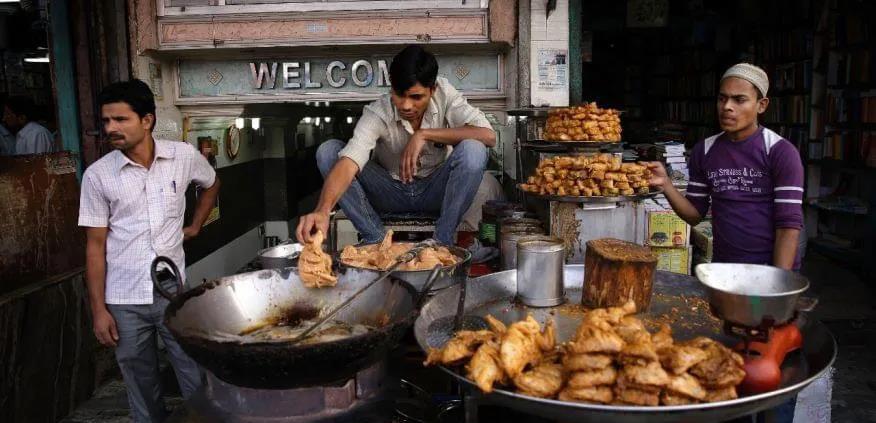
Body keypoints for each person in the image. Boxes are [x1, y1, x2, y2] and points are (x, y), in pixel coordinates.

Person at [78, 79, 221, 423]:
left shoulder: (182, 156)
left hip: (172, 289)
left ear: (147, 120)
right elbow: (95, 248)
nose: (111, 128)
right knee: (140, 383)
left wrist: (197, 225)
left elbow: (212, 183)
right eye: (106, 121)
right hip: (124, 298)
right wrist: (99, 310)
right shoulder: (99, 176)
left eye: (120, 119)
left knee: (192, 372)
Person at [296, 45, 496, 245]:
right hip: (390, 193)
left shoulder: (445, 94)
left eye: (416, 97)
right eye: (400, 95)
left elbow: (488, 136)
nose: (407, 106)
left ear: (433, 89)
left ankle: (442, 241)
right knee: (328, 151)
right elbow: (350, 161)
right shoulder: (378, 111)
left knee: (474, 149)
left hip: (435, 192)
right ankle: (375, 239)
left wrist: (424, 134)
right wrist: (322, 210)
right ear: (391, 87)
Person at [649, 63, 804, 271]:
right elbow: (695, 215)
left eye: (739, 100)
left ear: (762, 105)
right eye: (722, 98)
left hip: (769, 271)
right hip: (723, 270)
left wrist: (777, 284)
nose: (727, 106)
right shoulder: (704, 150)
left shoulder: (780, 152)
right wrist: (666, 185)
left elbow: (788, 226)